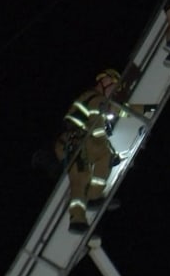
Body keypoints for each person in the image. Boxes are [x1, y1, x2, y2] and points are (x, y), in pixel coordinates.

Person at [54, 68, 127, 234]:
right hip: (73, 142)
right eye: (112, 85)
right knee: (85, 174)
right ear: (104, 82)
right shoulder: (96, 99)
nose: (113, 90)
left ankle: (87, 207)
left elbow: (127, 111)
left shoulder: (100, 101)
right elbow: (97, 130)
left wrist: (150, 109)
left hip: (76, 143)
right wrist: (111, 152)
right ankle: (84, 210)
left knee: (83, 177)